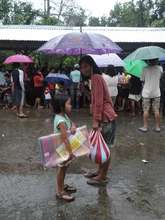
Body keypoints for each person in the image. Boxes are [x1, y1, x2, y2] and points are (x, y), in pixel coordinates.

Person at [79, 55, 117, 186]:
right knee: (101, 147)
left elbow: (99, 102)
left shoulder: (96, 78)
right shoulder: (95, 78)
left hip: (105, 119)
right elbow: (96, 99)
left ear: (92, 65)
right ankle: (99, 171)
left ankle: (103, 176)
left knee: (105, 149)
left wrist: (96, 121)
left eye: (86, 66)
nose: (83, 69)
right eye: (81, 67)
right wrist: (86, 92)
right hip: (106, 117)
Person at [52, 95, 77, 202]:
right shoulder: (60, 121)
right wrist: (70, 152)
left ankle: (62, 184)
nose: (71, 106)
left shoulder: (65, 117)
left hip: (65, 148)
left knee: (64, 168)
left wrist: (73, 127)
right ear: (62, 106)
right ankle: (60, 191)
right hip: (62, 149)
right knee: (61, 169)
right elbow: (65, 139)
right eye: (69, 103)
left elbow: (72, 124)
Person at [139, 59, 163, 132]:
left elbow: (142, 80)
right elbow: (160, 77)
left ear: (149, 60)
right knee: (156, 110)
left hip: (146, 93)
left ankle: (145, 127)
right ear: (156, 60)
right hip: (156, 92)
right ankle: (157, 127)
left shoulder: (144, 69)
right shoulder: (160, 68)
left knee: (146, 110)